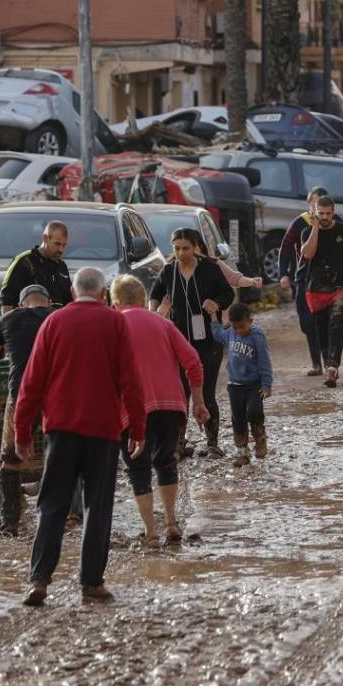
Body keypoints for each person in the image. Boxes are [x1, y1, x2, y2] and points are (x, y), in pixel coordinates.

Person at [15, 267, 145, 606]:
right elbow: (131, 380)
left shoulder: (53, 323)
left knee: (52, 504)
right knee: (97, 506)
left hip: (60, 429)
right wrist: (138, 427)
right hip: (103, 430)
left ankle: (39, 580)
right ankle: (91, 583)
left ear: (73, 293)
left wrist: (22, 431)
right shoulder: (115, 323)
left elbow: (31, 383)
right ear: (104, 295)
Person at [111, 275, 206, 547]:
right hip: (170, 405)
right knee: (165, 461)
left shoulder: (114, 326)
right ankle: (172, 522)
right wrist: (198, 401)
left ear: (116, 303)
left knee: (137, 469)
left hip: (132, 410)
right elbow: (193, 362)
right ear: (142, 299)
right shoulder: (164, 324)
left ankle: (151, 532)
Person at [0, 284, 53, 536]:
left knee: (11, 459)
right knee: (61, 453)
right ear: (48, 302)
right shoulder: (57, 317)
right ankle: (70, 515)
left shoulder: (8, 318)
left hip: (21, 395)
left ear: (21, 304)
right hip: (57, 396)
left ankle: (9, 522)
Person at [149, 227, 234, 456]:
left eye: (186, 248)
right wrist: (156, 311)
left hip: (208, 340)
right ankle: (178, 443)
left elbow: (228, 293)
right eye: (177, 248)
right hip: (177, 340)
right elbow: (154, 293)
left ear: (196, 247)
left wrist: (216, 303)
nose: (181, 253)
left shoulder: (210, 268)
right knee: (180, 393)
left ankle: (212, 443)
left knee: (206, 392)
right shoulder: (168, 271)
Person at [300, 196, 343, 388]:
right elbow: (308, 253)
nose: (325, 217)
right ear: (314, 212)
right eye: (321, 213)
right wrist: (315, 228)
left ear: (334, 211)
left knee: (336, 327)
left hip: (342, 286)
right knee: (321, 330)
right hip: (316, 288)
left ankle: (332, 368)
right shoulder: (307, 232)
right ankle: (328, 364)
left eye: (328, 213)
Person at [211, 302, 273, 468]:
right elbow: (217, 333)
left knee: (254, 412)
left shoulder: (257, 336)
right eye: (235, 327)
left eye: (242, 327)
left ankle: (260, 439)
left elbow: (264, 361)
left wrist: (267, 385)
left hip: (254, 385)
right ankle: (242, 452)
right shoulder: (230, 333)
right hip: (235, 386)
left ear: (250, 321)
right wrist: (212, 315)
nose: (239, 330)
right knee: (237, 419)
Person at [278, 187, 329, 376]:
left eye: (324, 203)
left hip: (327, 279)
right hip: (304, 278)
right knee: (308, 323)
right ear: (310, 204)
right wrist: (284, 274)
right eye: (316, 203)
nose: (320, 208)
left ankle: (329, 362)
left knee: (327, 321)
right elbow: (285, 248)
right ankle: (317, 363)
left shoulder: (335, 223)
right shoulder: (299, 223)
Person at [0, 221, 72, 313]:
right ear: (45, 238)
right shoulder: (24, 261)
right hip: (28, 323)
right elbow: (7, 298)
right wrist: (7, 325)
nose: (61, 249)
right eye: (57, 244)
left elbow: (68, 301)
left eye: (64, 245)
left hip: (56, 324)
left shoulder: (62, 267)